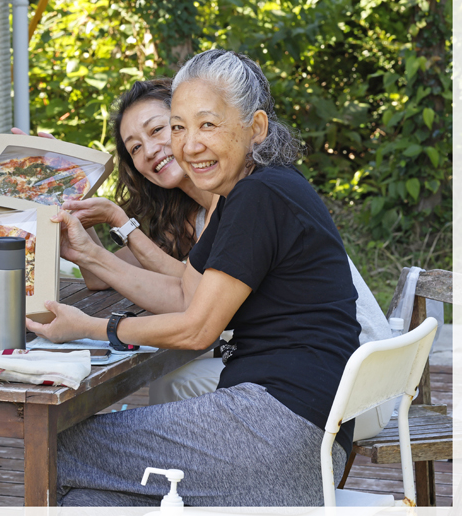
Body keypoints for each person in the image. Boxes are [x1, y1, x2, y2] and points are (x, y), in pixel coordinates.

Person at [26, 49, 361, 507]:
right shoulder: (243, 192)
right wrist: (87, 251)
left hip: (282, 433)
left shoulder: (260, 196)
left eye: (208, 125)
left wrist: (93, 329)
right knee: (94, 502)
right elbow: (186, 294)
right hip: (301, 432)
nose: (188, 144)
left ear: (256, 128)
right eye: (180, 126)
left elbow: (198, 328)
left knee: (54, 445)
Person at [39, 80, 392, 435]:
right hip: (315, 375)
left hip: (351, 379)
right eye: (134, 147)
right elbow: (111, 274)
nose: (149, 150)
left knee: (110, 429)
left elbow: (196, 321)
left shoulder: (249, 197)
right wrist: (69, 190)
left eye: (161, 129)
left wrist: (94, 324)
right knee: (174, 383)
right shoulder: (194, 216)